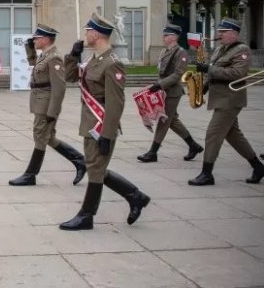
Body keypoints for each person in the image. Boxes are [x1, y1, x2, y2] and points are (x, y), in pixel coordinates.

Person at [60, 14, 150, 231]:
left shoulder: (112, 64)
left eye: (88, 31)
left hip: (101, 124)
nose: (86, 34)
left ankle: (86, 215)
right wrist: (72, 56)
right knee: (95, 167)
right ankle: (135, 196)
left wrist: (108, 135)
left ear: (97, 34)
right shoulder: (94, 59)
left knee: (96, 168)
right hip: (90, 121)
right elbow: (71, 78)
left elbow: (116, 104)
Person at [189, 18, 264, 186]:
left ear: (234, 34)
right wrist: (202, 88)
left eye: (223, 32)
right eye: (219, 31)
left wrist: (209, 69)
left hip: (230, 99)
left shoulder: (242, 50)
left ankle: (207, 174)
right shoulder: (219, 49)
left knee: (212, 134)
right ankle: (258, 167)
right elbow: (214, 73)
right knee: (234, 136)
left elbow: (237, 73)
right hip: (219, 98)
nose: (219, 34)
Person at [9, 25, 86, 186]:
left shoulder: (54, 58)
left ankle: (31, 174)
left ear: (45, 39)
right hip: (40, 102)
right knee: (48, 137)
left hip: (46, 106)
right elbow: (34, 65)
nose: (34, 40)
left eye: (36, 38)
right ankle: (80, 161)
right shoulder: (45, 55)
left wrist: (53, 112)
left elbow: (59, 88)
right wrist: (29, 47)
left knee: (40, 136)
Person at [138, 24, 203, 163]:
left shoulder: (181, 53)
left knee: (164, 119)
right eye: (164, 35)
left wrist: (159, 85)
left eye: (166, 35)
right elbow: (161, 72)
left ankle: (153, 152)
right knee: (172, 120)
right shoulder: (164, 51)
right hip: (163, 91)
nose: (164, 37)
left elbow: (177, 74)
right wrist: (156, 85)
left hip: (172, 92)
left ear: (174, 37)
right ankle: (193, 145)